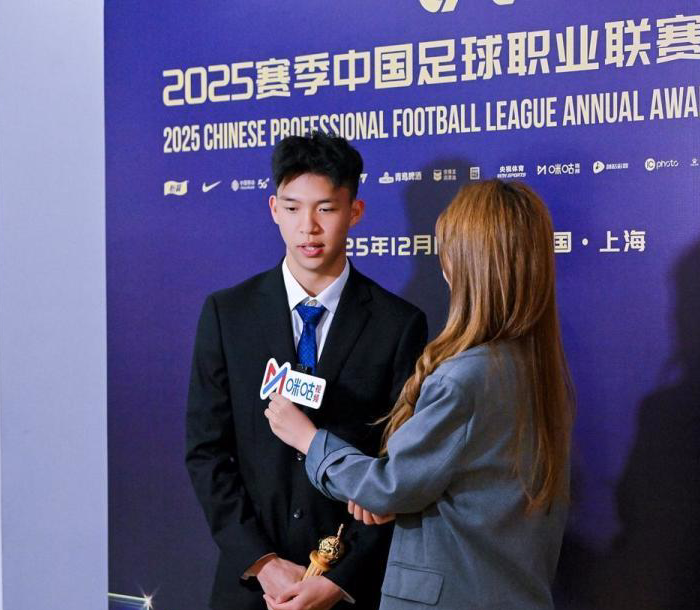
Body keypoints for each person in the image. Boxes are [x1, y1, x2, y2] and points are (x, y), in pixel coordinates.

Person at [265, 180, 575, 609]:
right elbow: (445, 486)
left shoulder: (463, 378)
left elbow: (389, 486)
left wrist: (308, 439)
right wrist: (400, 496)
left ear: (463, 264)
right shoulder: (534, 369)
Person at [186, 132, 427, 610]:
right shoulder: (228, 314)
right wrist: (262, 562)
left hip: (350, 590)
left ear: (355, 212)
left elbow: (401, 468)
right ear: (274, 209)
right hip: (251, 589)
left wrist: (341, 580)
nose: (308, 228)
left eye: (326, 209)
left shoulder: (399, 325)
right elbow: (206, 452)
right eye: (293, 209)